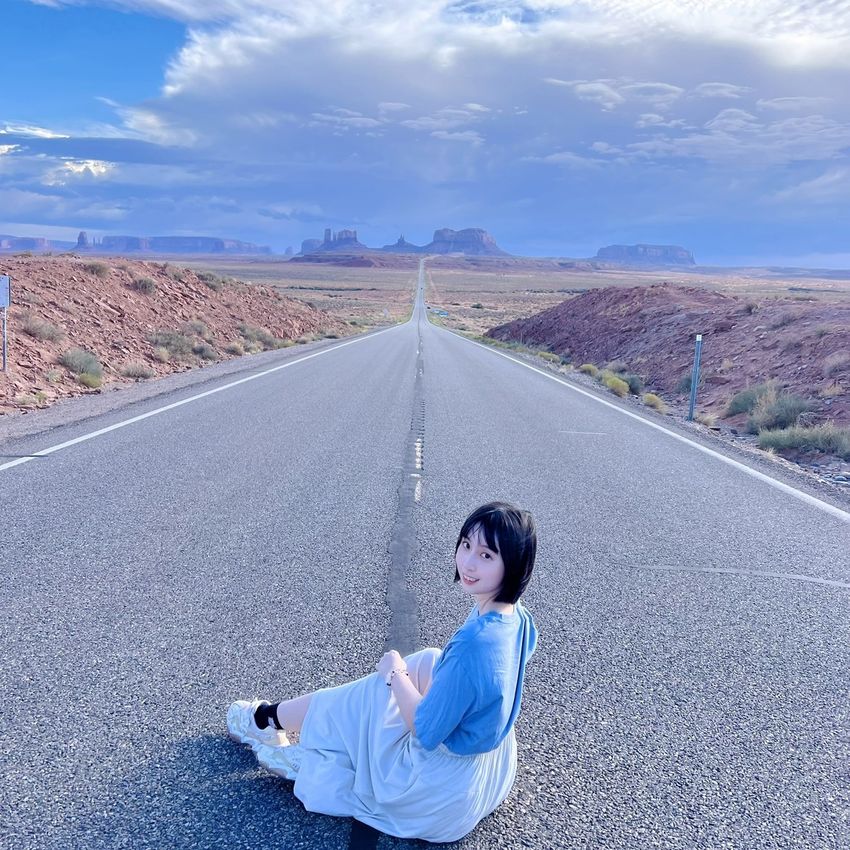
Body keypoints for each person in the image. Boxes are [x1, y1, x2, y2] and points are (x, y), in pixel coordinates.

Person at [226, 501, 538, 843]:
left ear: (513, 565)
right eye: (466, 545)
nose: (468, 562)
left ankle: (266, 721)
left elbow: (425, 731)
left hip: (437, 795)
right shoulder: (516, 617)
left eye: (486, 555)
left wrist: (394, 674)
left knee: (375, 689)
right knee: (430, 659)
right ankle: (298, 727)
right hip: (489, 773)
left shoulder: (473, 645)